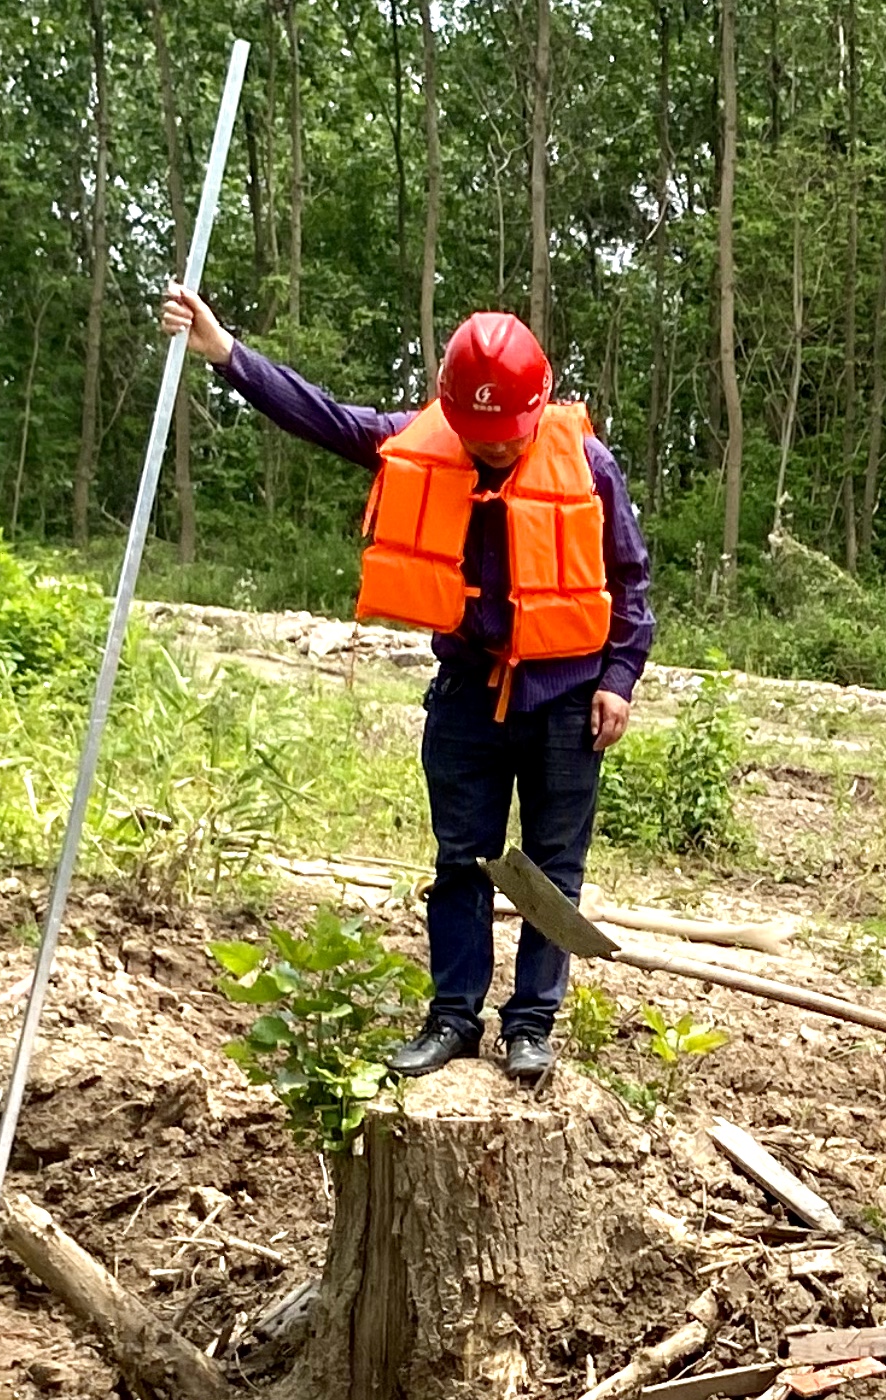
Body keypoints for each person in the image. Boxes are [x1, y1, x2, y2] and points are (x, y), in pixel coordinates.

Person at [159, 287, 654, 1084]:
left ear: (539, 406)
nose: (493, 449)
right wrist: (226, 354)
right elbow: (323, 417)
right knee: (461, 861)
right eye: (477, 434)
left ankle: (530, 1026)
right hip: (465, 696)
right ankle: (453, 1018)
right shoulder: (423, 442)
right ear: (452, 413)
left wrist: (621, 678)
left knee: (555, 871)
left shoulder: (589, 465)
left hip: (565, 700)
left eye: (507, 435)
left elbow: (630, 583)